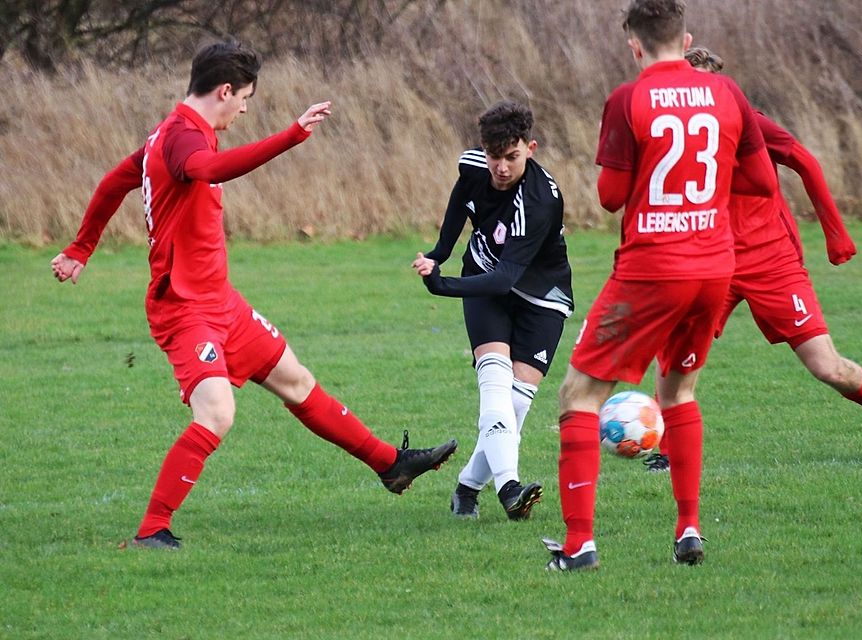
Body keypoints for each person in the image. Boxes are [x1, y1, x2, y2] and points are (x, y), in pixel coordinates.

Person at [51, 41, 457, 550]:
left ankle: (390, 465)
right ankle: (152, 529)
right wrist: (291, 135)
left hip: (221, 303)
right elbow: (210, 170)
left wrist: (81, 248)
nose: (244, 109)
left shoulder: (170, 133)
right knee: (217, 414)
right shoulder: (182, 137)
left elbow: (114, 182)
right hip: (184, 309)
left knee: (297, 382)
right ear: (224, 91)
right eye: (244, 98)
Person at [540, 0, 777, 571]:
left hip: (652, 269)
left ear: (635, 45)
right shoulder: (728, 93)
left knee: (578, 396)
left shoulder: (628, 99)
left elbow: (610, 197)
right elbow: (762, 180)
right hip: (714, 267)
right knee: (679, 393)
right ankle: (688, 527)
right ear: (686, 39)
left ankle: (579, 544)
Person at [644, 47, 862, 474]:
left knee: (828, 368)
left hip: (771, 262)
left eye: (705, 83)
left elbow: (804, 161)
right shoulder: (673, 131)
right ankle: (667, 453)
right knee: (674, 354)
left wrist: (836, 233)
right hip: (712, 261)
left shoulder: (747, 120)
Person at [412, 101, 573, 521]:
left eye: (511, 157)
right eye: (493, 156)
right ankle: (509, 489)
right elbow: (461, 199)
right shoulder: (474, 165)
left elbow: (506, 279)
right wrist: (440, 252)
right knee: (495, 387)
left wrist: (443, 284)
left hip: (541, 295)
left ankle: (466, 488)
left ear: (530, 148)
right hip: (484, 279)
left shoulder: (540, 200)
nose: (501, 167)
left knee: (514, 406)